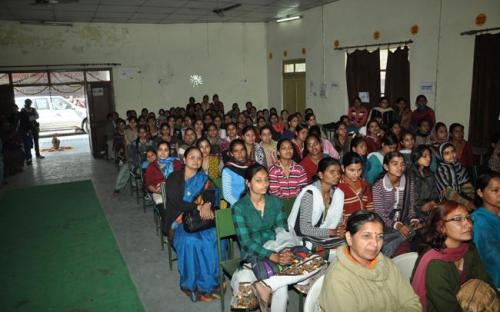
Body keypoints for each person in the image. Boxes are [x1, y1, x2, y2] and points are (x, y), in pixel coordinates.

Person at [232, 164, 321, 312]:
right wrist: (271, 255)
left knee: (316, 263)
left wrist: (284, 250)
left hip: (277, 245)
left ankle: (266, 286)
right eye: (258, 180)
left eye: (266, 180)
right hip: (254, 251)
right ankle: (266, 285)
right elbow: (246, 243)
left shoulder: (275, 202)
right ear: (248, 183)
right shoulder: (239, 208)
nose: (265, 184)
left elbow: (282, 230)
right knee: (279, 283)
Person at [319, 210, 421, 312]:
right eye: (366, 236)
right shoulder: (338, 279)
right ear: (349, 238)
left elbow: (411, 302)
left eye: (380, 237)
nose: (375, 243)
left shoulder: (387, 264)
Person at [411, 201, 495, 312]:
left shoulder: (469, 250)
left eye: (468, 218)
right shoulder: (435, 264)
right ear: (441, 227)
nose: (469, 224)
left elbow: (486, 282)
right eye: (458, 219)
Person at [163, 146, 222, 302]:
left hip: (199, 221)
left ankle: (208, 284)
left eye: (199, 158)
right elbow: (176, 201)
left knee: (212, 238)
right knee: (191, 241)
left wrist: (207, 203)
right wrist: (198, 206)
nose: (196, 161)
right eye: (192, 157)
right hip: (179, 221)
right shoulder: (173, 177)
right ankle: (190, 285)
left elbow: (212, 192)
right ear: (184, 159)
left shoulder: (204, 178)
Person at [287, 157, 345, 257]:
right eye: (332, 172)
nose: (337, 175)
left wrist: (340, 229)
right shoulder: (310, 193)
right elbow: (304, 229)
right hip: (304, 236)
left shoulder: (338, 194)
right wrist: (332, 232)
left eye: (338, 172)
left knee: (350, 240)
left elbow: (337, 222)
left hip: (324, 234)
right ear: (321, 175)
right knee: (313, 247)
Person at [373, 151, 420, 257]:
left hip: (405, 222)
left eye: (402, 164)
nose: (400, 167)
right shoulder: (378, 187)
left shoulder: (408, 182)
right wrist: (398, 226)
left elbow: (411, 205)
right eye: (395, 164)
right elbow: (380, 215)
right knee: (391, 238)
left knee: (419, 230)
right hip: (386, 226)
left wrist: (413, 219)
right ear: (386, 167)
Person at [472, 173, 500, 289]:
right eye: (495, 190)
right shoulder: (479, 222)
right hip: (494, 280)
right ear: (480, 193)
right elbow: (491, 257)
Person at [113, 125, 154, 195]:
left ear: (146, 133)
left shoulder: (151, 143)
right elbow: (130, 156)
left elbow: (154, 155)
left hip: (147, 163)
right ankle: (117, 188)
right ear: (138, 133)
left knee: (142, 170)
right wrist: (134, 164)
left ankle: (143, 186)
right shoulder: (134, 143)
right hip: (134, 162)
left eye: (144, 132)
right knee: (123, 170)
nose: (142, 134)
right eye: (140, 132)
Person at [435, 142, 475, 210]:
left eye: (453, 151)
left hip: (460, 199)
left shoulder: (459, 166)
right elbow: (447, 192)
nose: (451, 155)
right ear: (441, 155)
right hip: (446, 203)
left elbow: (466, 186)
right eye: (447, 153)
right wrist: (466, 203)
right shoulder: (440, 170)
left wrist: (473, 199)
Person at [337, 152, 374, 220]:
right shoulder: (338, 186)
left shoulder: (364, 184)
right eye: (352, 170)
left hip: (364, 222)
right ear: (343, 168)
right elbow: (338, 213)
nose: (356, 174)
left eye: (359, 170)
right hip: (347, 225)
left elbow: (370, 206)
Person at [407, 145, 439, 221]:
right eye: (425, 156)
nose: (429, 158)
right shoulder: (409, 174)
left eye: (429, 156)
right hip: (413, 209)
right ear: (417, 157)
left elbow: (434, 192)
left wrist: (433, 202)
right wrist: (421, 207)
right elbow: (411, 197)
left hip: (428, 206)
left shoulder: (429, 173)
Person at [222, 139, 253, 206]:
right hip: (237, 204)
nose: (240, 153)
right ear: (231, 153)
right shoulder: (228, 169)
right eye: (236, 151)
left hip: (255, 203)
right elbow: (227, 195)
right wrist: (241, 206)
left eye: (242, 150)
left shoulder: (253, 165)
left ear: (245, 150)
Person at [18, 98, 44, 164]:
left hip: (34, 127)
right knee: (28, 143)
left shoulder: (33, 109)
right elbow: (24, 119)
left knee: (36, 141)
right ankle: (29, 157)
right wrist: (31, 118)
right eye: (28, 102)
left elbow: (37, 116)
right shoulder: (23, 110)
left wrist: (28, 118)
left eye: (30, 102)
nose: (29, 103)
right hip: (27, 128)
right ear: (25, 103)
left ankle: (37, 154)